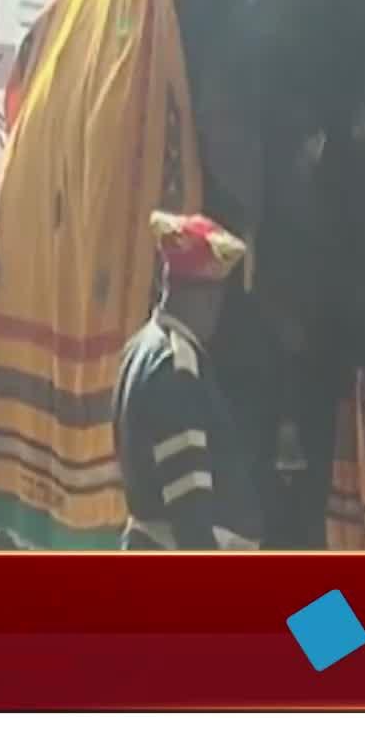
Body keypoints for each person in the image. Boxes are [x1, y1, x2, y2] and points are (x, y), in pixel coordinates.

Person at [114, 211, 263, 550]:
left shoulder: (138, 349)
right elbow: (189, 506)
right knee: (340, 605)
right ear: (208, 298)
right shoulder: (178, 368)